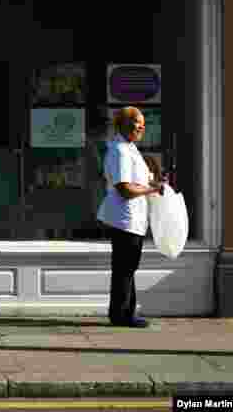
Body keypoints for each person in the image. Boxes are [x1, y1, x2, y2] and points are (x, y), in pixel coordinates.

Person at [96, 106, 164, 328]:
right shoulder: (120, 151)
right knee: (125, 269)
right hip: (124, 219)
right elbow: (125, 189)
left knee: (128, 268)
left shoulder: (129, 148)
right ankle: (121, 315)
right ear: (124, 124)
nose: (142, 127)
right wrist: (152, 190)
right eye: (138, 123)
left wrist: (153, 185)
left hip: (133, 219)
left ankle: (125, 312)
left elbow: (137, 183)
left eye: (144, 124)